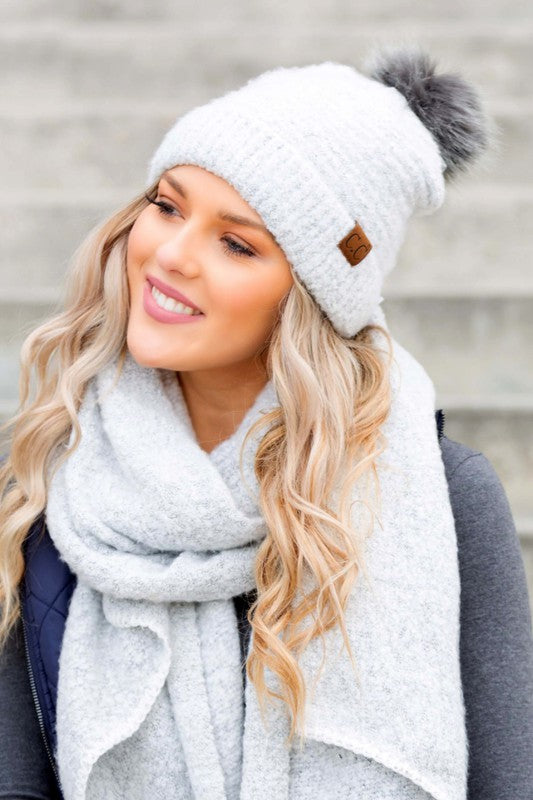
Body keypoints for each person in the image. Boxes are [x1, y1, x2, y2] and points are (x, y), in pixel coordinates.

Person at [0, 45, 532, 800]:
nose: (169, 256)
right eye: (166, 204)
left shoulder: (445, 496)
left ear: (311, 294)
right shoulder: (52, 490)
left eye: (237, 243)